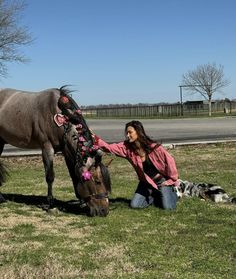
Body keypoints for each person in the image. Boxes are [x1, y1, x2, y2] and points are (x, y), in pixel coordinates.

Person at [92, 120, 179, 210]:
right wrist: (95, 138)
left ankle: (175, 192)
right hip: (146, 183)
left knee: (168, 207)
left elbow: (170, 162)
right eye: (126, 133)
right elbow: (109, 148)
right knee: (135, 205)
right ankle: (155, 194)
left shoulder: (155, 148)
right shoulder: (127, 148)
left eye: (130, 132)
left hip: (162, 182)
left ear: (138, 132)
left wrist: (171, 180)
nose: (127, 135)